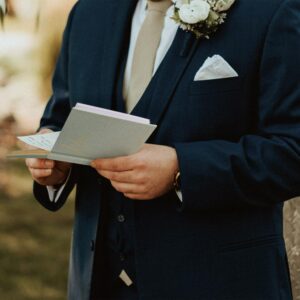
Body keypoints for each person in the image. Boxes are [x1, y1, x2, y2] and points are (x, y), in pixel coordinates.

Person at [25, 0, 300, 299]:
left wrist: (181, 169)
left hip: (217, 283)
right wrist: (55, 165)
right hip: (99, 285)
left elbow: (291, 150)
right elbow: (61, 117)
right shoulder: (89, 12)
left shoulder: (273, 10)